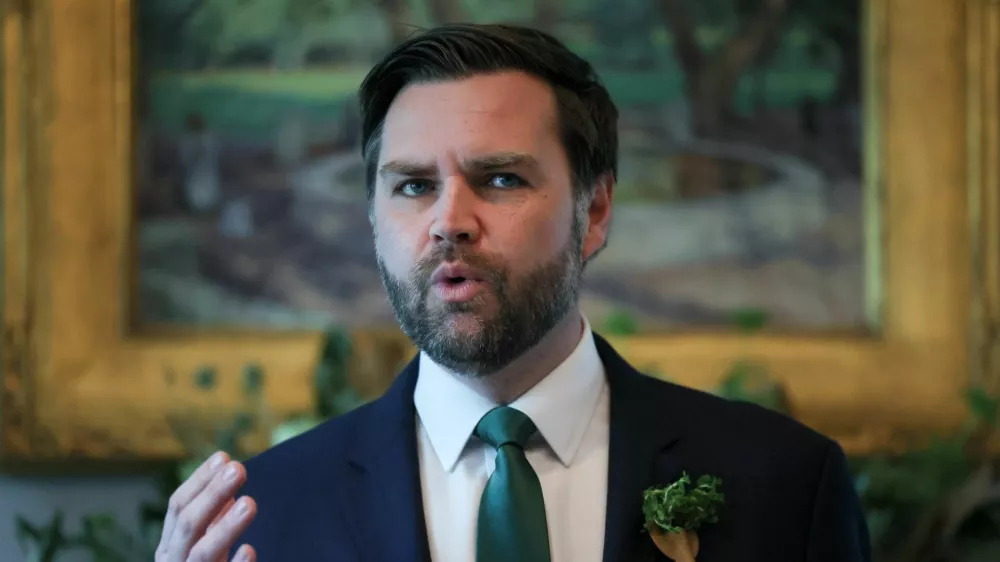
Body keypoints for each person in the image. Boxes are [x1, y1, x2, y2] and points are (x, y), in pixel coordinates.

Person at [154, 23, 871, 562]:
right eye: (413, 186)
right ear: (374, 219)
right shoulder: (263, 514)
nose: (448, 224)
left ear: (593, 212)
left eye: (501, 179)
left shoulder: (784, 484)